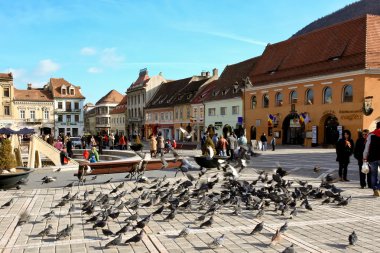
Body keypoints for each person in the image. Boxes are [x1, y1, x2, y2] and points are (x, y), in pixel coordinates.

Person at [363, 122, 380, 196]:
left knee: (373, 174)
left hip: (372, 157)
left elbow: (367, 147)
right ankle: (378, 188)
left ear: (376, 127)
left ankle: (375, 189)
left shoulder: (370, 135)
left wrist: (364, 157)